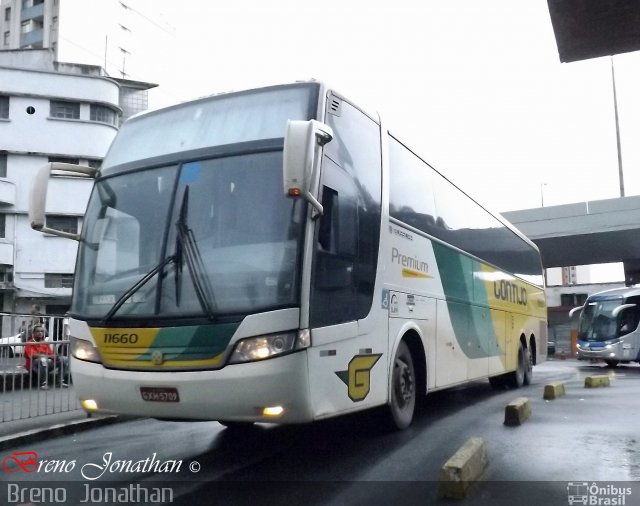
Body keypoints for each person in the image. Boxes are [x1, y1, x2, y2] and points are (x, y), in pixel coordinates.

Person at [24, 325, 69, 389]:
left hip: (46, 363)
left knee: (64, 359)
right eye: (38, 331)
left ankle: (60, 381)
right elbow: (33, 355)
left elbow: (51, 354)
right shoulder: (29, 343)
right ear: (33, 333)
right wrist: (49, 357)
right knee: (42, 360)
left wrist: (56, 357)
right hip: (33, 365)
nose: (40, 333)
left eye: (42, 331)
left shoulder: (44, 343)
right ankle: (43, 383)